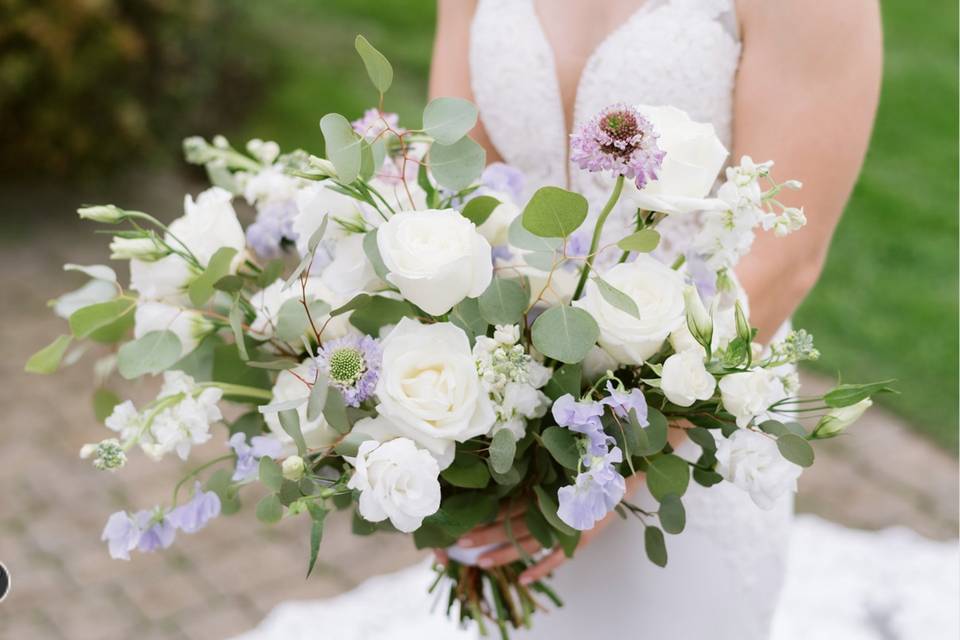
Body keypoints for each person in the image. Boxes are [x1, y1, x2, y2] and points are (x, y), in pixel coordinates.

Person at [428, 1, 881, 637]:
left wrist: (609, 461)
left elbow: (785, 260)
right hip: (509, 397)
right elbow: (457, 178)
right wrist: (436, 414)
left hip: (698, 424)